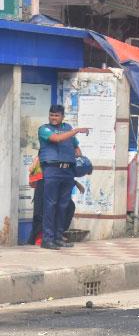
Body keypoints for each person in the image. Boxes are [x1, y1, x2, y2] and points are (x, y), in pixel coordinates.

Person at [37, 105, 89, 250]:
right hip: (52, 170)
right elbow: (57, 139)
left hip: (68, 171)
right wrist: (76, 130)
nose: (53, 118)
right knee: (50, 205)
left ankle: (59, 237)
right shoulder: (44, 129)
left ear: (62, 116)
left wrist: (79, 155)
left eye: (56, 115)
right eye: (51, 115)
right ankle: (47, 239)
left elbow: (75, 147)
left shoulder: (67, 128)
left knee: (63, 206)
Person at [27, 156, 85, 246]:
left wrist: (75, 183)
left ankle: (56, 235)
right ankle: (41, 238)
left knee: (68, 207)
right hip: (45, 184)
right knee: (43, 211)